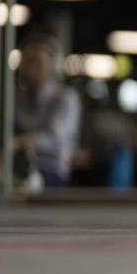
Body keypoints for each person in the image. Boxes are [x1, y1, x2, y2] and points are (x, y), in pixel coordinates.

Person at [15, 33, 81, 187]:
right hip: (18, 167)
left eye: (37, 63)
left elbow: (53, 140)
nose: (31, 69)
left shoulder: (66, 98)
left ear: (53, 66)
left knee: (30, 183)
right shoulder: (19, 96)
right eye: (28, 62)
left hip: (51, 172)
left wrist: (17, 142)